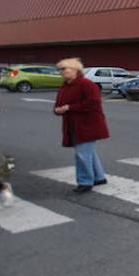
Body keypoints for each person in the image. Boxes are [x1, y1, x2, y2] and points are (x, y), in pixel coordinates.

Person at [53, 57, 109, 194]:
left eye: (64, 69)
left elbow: (93, 103)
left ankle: (85, 182)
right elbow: (59, 104)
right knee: (88, 152)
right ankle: (99, 177)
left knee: (82, 154)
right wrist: (58, 109)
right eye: (59, 69)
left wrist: (69, 108)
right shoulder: (64, 87)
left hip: (88, 124)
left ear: (75, 70)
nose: (61, 72)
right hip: (73, 125)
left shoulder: (87, 84)